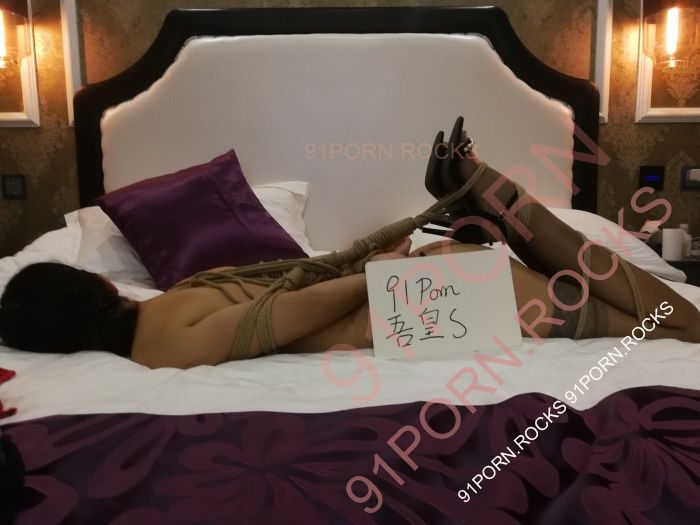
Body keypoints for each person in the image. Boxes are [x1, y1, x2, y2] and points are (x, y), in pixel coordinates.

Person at [1, 118, 699, 369]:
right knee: (658, 315)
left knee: (659, 321)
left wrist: (377, 268)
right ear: (100, 285)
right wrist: (379, 270)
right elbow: (278, 308)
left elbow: (281, 312)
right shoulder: (172, 310)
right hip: (421, 299)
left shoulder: (160, 341)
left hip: (418, 302)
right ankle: (482, 190)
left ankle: (481, 193)